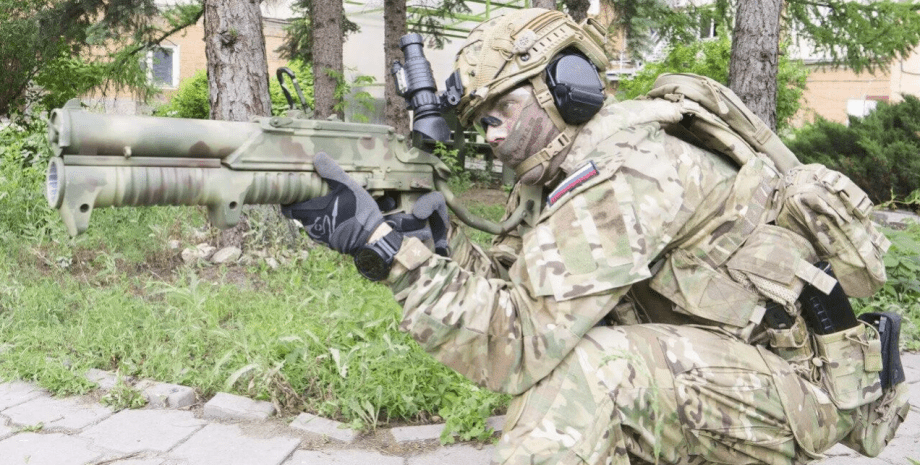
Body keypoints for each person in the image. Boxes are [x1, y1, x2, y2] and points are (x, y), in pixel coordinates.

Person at [282, 8, 909, 465]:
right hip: (727, 362)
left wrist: (390, 254)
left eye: (498, 113)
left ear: (562, 91)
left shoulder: (632, 171)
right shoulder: (560, 176)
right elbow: (522, 295)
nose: (490, 135)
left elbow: (519, 343)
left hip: (803, 389)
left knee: (589, 376)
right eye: (480, 123)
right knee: (578, 368)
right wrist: (435, 245)